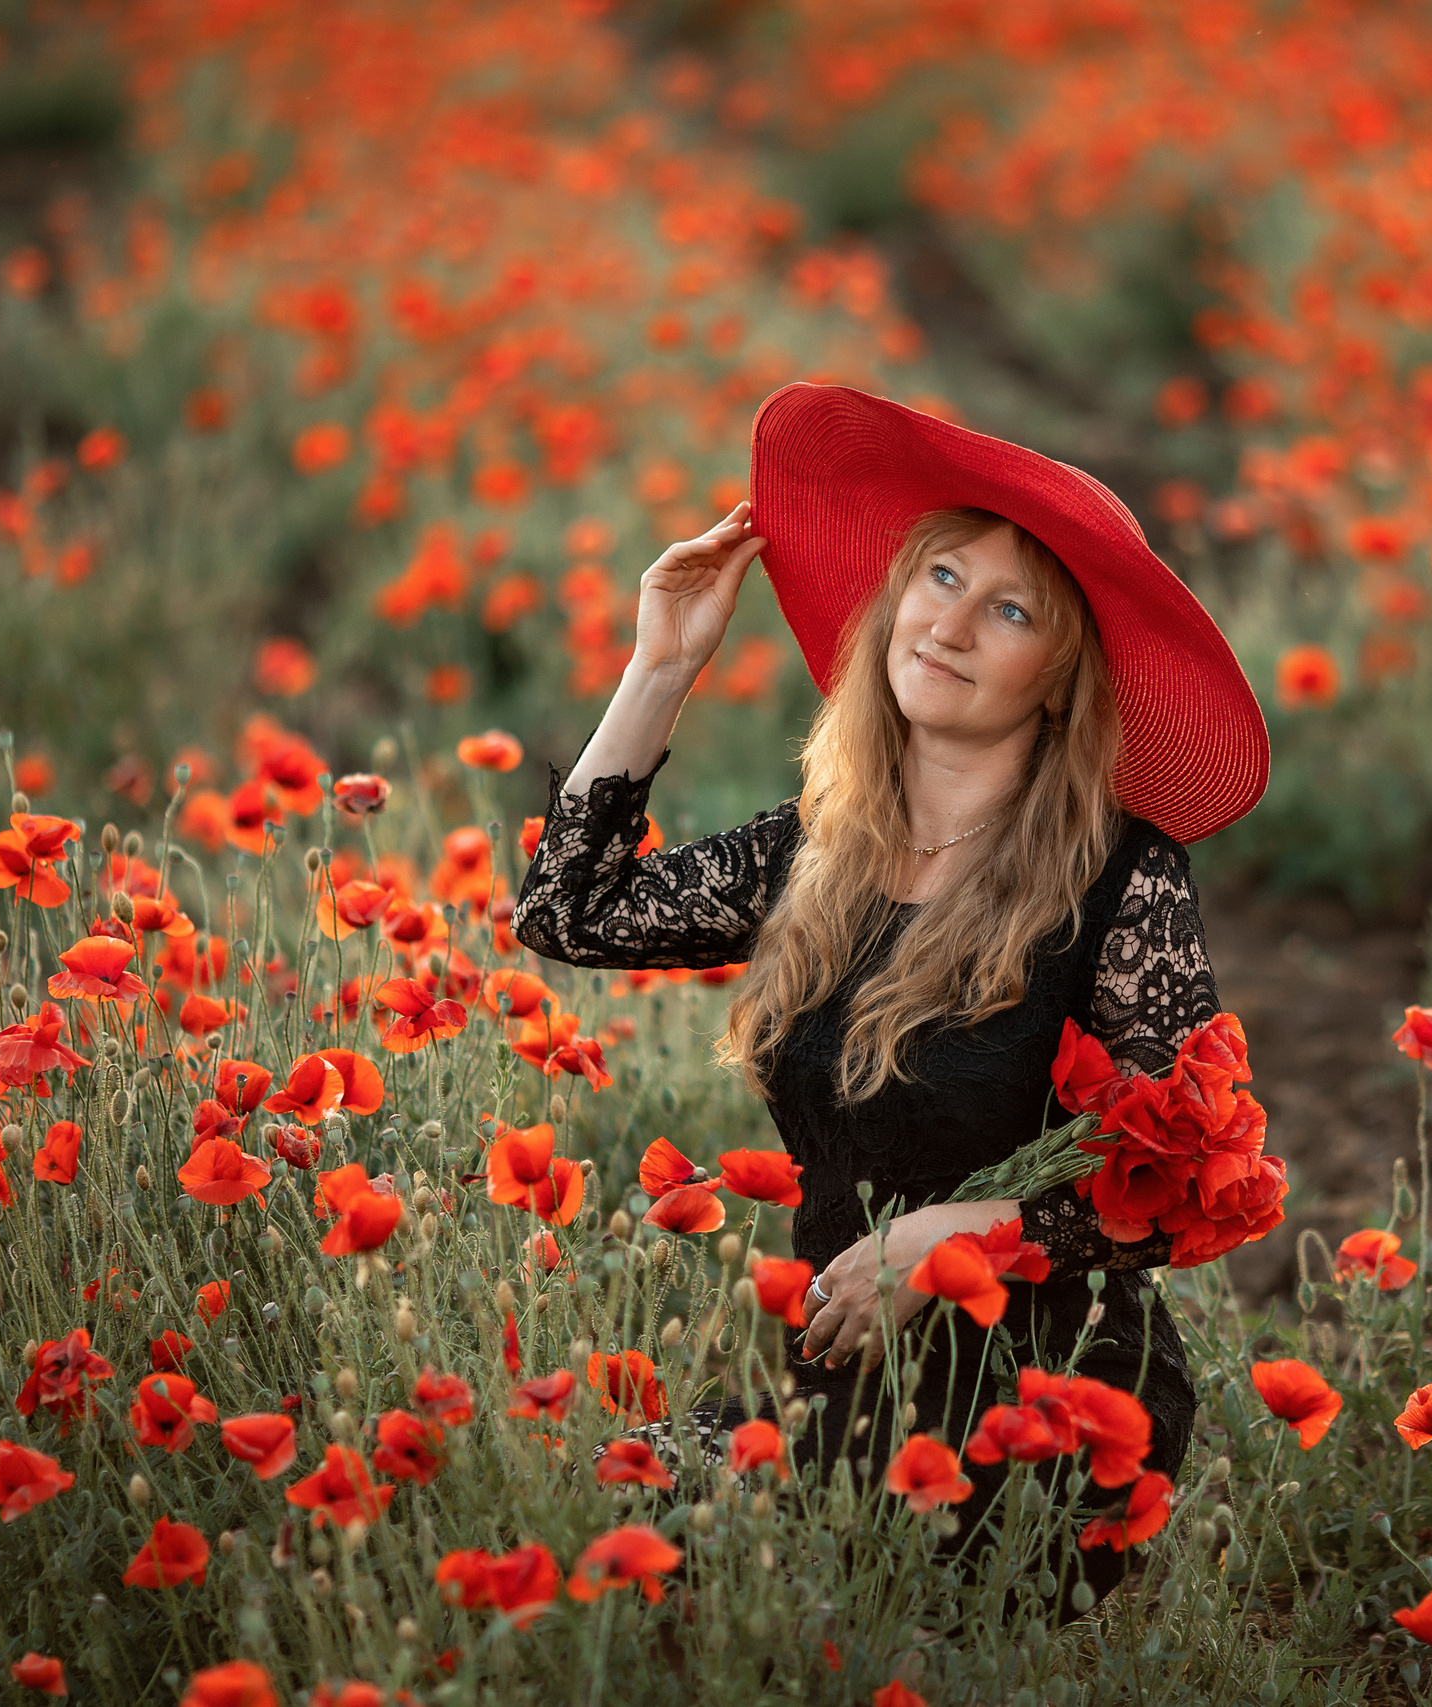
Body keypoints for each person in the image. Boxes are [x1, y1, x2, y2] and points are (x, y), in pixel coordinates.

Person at [510, 381, 1268, 1624]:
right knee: (600, 1524)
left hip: (1050, 1397)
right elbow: (567, 915)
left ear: (1061, 679)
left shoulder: (1120, 877)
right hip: (852, 1375)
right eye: (941, 578)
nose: (953, 625)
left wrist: (969, 1229)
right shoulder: (821, 848)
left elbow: (1198, 1174)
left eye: (1009, 608)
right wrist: (660, 666)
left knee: (769, 1590)